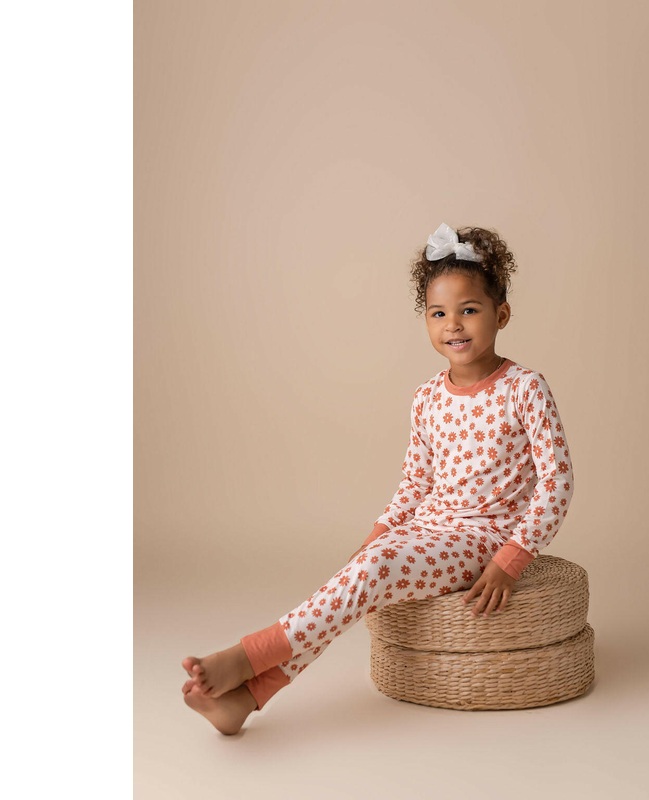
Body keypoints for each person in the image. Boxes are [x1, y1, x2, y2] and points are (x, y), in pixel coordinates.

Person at [181, 222, 575, 734]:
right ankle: (250, 696)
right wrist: (379, 535)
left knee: (375, 568)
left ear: (500, 315)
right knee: (361, 572)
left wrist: (510, 559)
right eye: (438, 313)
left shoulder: (525, 388)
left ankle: (249, 655)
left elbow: (556, 483)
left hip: (484, 537)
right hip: (428, 528)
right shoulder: (426, 397)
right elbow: (415, 483)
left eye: (469, 310)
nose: (453, 325)